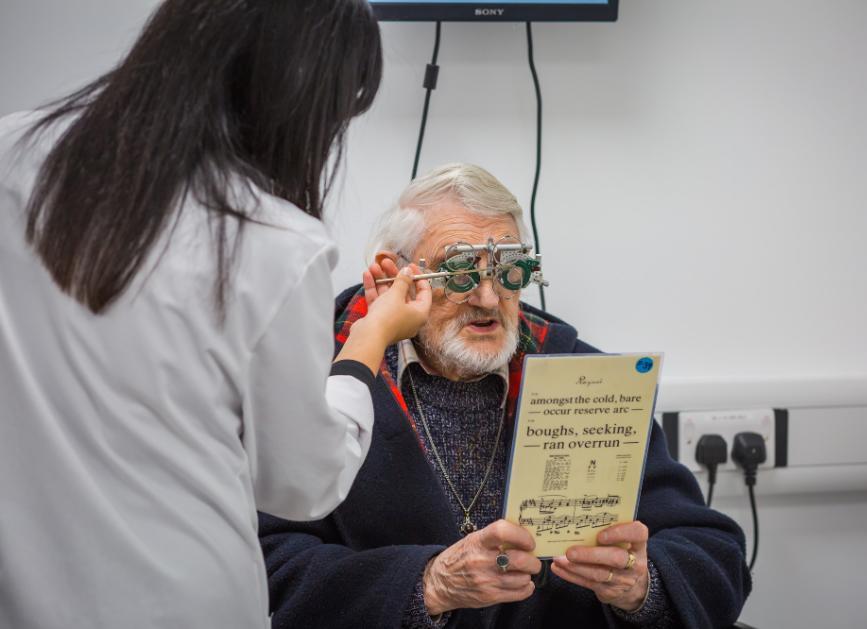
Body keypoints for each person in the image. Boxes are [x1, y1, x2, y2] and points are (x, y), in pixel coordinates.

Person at [0, 1, 430, 628]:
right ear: (294, 95)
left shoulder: (13, 153)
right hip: (185, 598)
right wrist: (370, 339)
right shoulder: (275, 243)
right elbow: (301, 484)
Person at [259, 164, 752, 628]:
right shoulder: (321, 376)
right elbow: (269, 562)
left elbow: (715, 552)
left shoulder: (582, 376)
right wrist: (428, 584)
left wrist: (643, 587)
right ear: (395, 276)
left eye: (510, 271)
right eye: (459, 272)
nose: (489, 299)